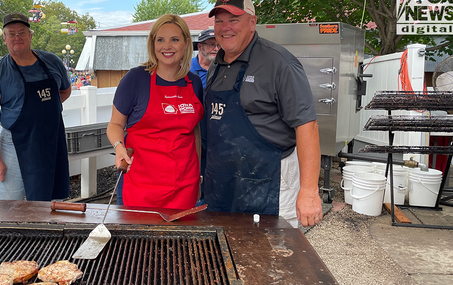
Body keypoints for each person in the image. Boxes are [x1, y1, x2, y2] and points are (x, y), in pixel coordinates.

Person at [203, 0, 322, 227]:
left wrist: (308, 191)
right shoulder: (215, 66)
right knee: (225, 250)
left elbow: (307, 125)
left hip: (269, 179)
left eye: (234, 20)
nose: (225, 27)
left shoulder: (279, 62)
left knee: (274, 252)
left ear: (252, 23)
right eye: (219, 21)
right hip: (223, 183)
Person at [106, 14, 204, 210]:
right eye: (160, 39)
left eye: (174, 39)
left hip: (185, 184)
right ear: (153, 43)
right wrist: (119, 147)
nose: (167, 46)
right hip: (142, 186)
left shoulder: (194, 83)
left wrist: (199, 175)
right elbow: (115, 124)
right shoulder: (135, 79)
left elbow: (195, 133)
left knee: (181, 240)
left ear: (186, 43)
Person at [0, 12, 71, 201]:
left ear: (30, 36)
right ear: (4, 38)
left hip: (50, 142)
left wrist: (42, 110)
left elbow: (65, 91)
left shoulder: (52, 62)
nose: (17, 37)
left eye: (22, 32)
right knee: (3, 208)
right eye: (11, 33)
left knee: (49, 204)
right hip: (13, 144)